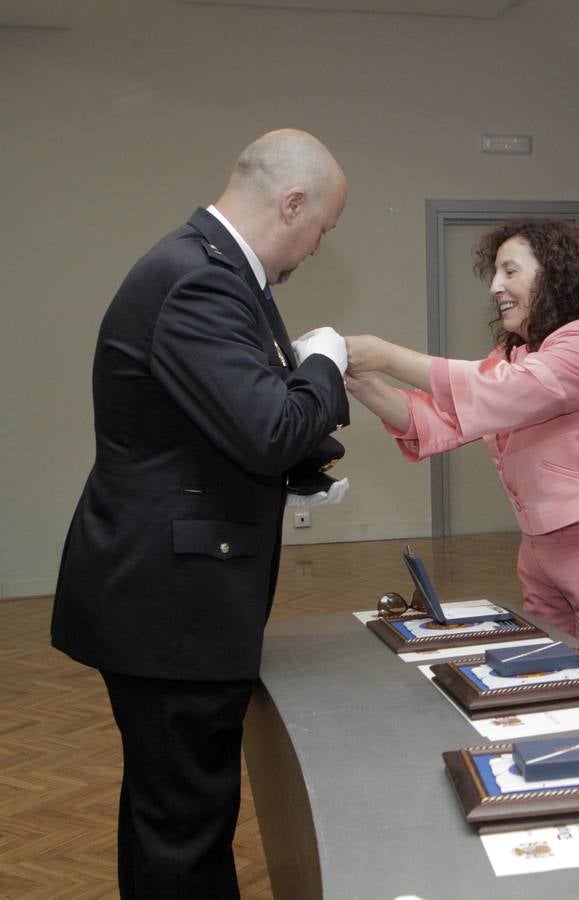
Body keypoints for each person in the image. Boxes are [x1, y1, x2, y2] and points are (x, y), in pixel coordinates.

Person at [51, 129, 351, 897]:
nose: (316, 248)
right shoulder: (200, 280)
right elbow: (271, 426)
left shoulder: (208, 270)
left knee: (171, 815)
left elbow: (216, 426)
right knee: (183, 827)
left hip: (167, 593)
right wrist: (325, 360)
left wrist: (292, 468)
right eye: (322, 229)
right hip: (169, 603)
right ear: (291, 204)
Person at [344, 219, 579, 679]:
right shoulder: (513, 354)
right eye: (494, 273)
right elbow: (440, 420)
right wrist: (359, 381)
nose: (495, 287)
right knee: (546, 679)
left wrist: (386, 355)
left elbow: (498, 393)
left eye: (510, 271)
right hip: (537, 550)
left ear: (553, 274)